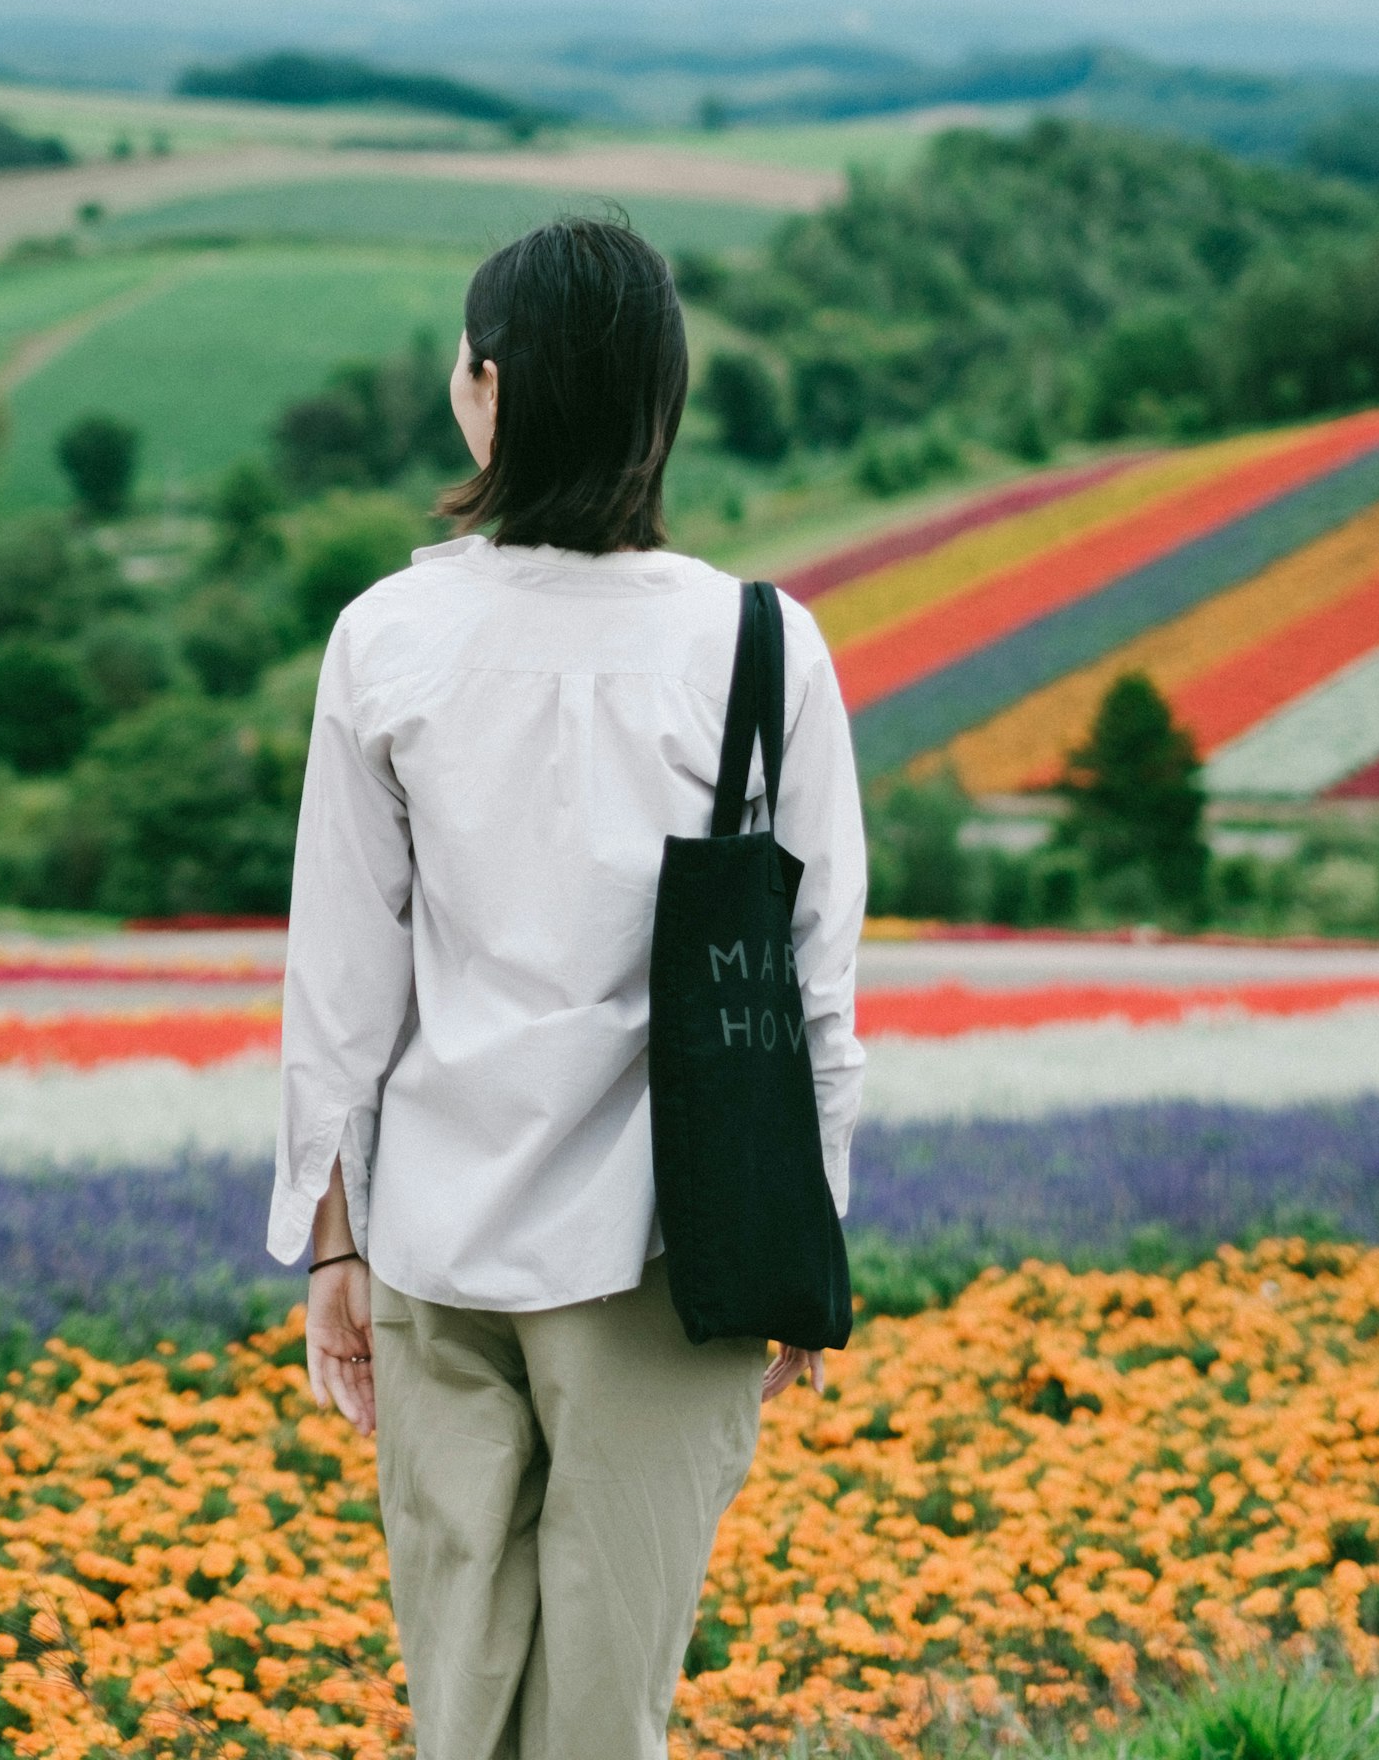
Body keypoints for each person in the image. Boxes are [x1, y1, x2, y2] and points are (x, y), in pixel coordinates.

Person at [269, 217, 867, 1760]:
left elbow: (342, 973)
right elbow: (811, 990)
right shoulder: (761, 648)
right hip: (676, 1254)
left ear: (483, 391)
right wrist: (806, 1238)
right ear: (664, 404)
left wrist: (329, 1239)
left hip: (435, 1239)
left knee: (458, 1703)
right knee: (609, 1709)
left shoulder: (386, 638)